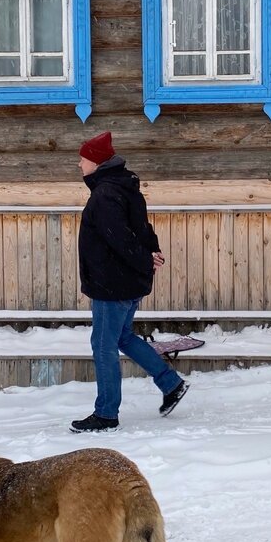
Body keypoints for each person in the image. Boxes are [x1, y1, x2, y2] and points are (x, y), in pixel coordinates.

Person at [70, 131, 188, 433]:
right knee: (122, 337)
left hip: (113, 283)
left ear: (96, 162)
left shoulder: (105, 194)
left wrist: (145, 257)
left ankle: (107, 414)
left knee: (103, 345)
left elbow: (120, 238)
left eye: (83, 159)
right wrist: (151, 252)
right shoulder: (125, 186)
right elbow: (141, 227)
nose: (79, 164)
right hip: (126, 280)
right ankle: (170, 383)